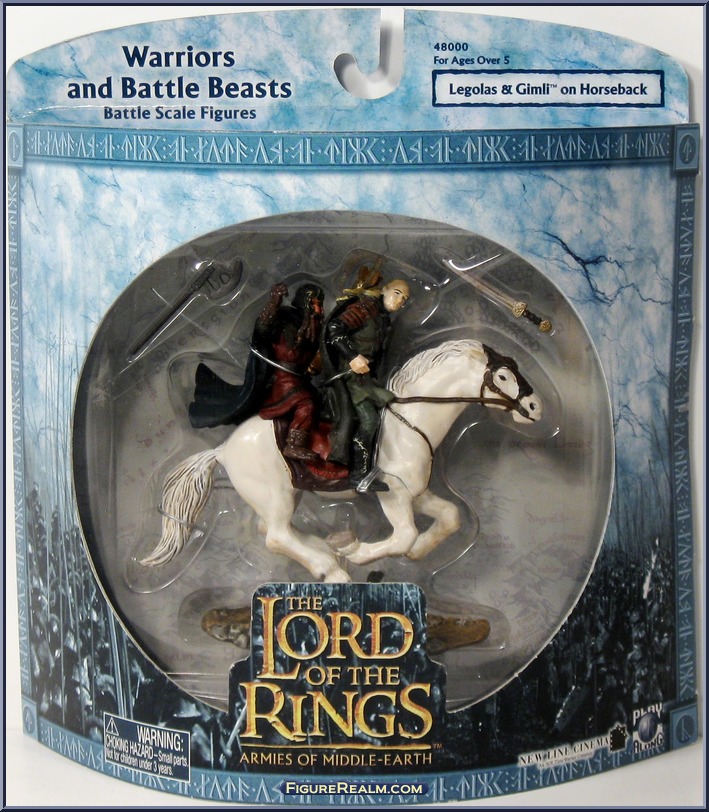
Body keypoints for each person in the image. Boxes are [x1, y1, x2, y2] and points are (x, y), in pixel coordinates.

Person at [189, 282, 324, 462]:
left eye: (319, 304)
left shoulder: (314, 328)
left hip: (300, 379)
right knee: (307, 404)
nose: (319, 309)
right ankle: (294, 445)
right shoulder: (285, 319)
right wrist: (274, 301)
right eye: (314, 304)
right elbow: (263, 328)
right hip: (283, 380)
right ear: (305, 303)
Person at [321, 277, 410, 491]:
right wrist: (352, 356)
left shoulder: (383, 319)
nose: (399, 301)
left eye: (404, 299)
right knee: (369, 419)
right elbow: (335, 327)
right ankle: (358, 475)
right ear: (385, 289)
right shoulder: (366, 308)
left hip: (365, 378)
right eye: (397, 293)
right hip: (347, 375)